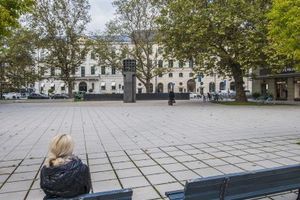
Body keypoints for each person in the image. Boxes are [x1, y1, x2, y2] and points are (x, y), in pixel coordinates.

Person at [40, 134, 91, 199]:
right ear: (70, 148)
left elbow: (45, 189)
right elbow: (86, 190)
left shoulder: (45, 170)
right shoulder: (81, 168)